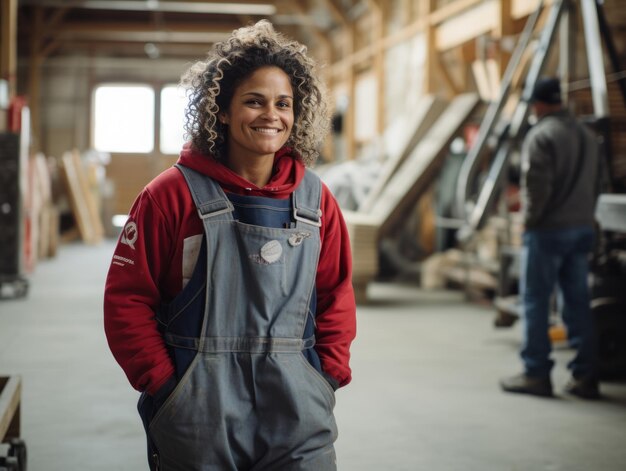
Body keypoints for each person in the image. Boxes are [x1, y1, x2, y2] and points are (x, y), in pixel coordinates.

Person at [103, 20, 357, 470]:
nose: (270, 115)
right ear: (221, 109)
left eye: (283, 104)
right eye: (253, 101)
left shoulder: (316, 202)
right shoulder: (170, 196)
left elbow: (336, 293)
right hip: (198, 407)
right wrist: (164, 384)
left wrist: (327, 374)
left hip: (299, 407)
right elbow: (127, 299)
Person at [500, 77, 602, 400]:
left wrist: (528, 223)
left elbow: (536, 189)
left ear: (540, 104)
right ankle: (586, 377)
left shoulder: (541, 135)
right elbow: (597, 184)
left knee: (536, 301)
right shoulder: (588, 136)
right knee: (577, 302)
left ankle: (536, 374)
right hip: (582, 227)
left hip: (548, 231)